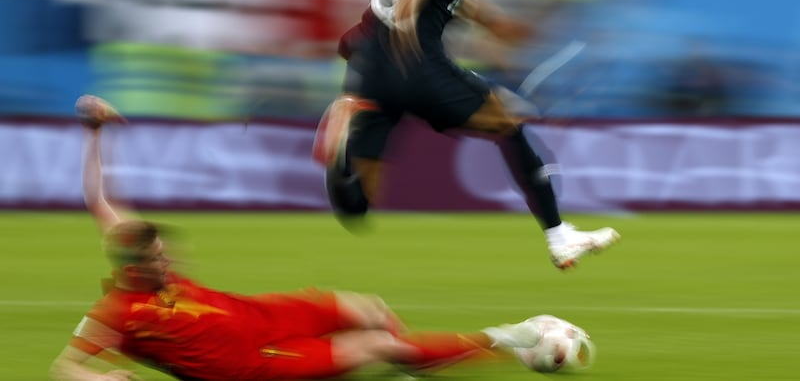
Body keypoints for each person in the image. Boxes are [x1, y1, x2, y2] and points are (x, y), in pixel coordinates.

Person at [51, 95, 586, 381]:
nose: (168, 259)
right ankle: (511, 338)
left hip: (260, 315)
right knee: (377, 344)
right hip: (254, 363)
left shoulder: (130, 247)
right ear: (133, 269)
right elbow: (64, 367)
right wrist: (96, 380)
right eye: (157, 259)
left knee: (370, 310)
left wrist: (93, 133)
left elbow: (99, 200)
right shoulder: (117, 313)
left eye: (164, 251)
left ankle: (407, 367)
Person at [315, 0, 620, 270]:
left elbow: (456, 1)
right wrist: (407, 42)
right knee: (509, 121)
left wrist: (503, 26)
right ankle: (559, 236)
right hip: (414, 64)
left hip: (367, 70)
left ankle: (340, 150)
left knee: (357, 205)